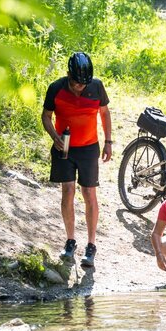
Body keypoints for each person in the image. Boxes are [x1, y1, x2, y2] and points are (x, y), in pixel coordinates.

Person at [42, 52, 113, 268]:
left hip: (89, 148)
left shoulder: (96, 87)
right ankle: (70, 241)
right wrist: (54, 136)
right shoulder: (56, 88)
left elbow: (104, 113)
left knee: (89, 193)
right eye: (75, 83)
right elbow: (46, 116)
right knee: (68, 191)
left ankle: (91, 245)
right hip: (64, 147)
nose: (80, 87)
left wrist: (108, 141)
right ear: (68, 75)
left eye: (83, 84)